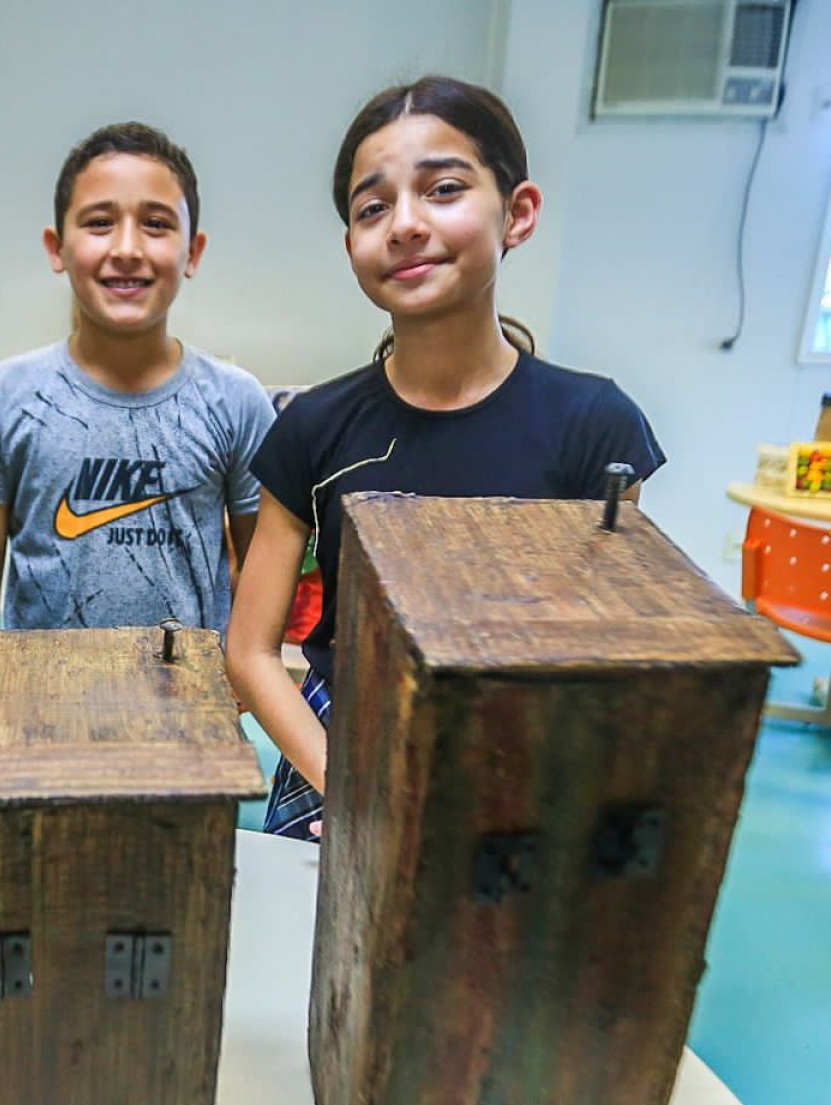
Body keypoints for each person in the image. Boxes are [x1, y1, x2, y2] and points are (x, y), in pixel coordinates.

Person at [225, 76, 666, 842]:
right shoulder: (312, 428)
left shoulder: (593, 425)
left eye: (444, 189)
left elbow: (612, 658)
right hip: (339, 759)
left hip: (525, 771)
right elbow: (252, 649)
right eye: (373, 208)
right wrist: (352, 786)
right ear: (351, 245)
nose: (404, 225)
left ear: (518, 213)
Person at [0, 122, 273, 631]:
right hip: (36, 703)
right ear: (56, 248)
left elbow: (263, 575)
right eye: (100, 222)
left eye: (157, 224)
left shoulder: (238, 403)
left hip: (191, 702)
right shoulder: (2, 398)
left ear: (193, 252)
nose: (127, 248)